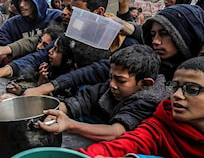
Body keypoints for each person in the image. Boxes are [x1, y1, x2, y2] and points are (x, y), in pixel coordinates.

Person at [79, 56, 204, 158]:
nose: (176, 95)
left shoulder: (145, 102)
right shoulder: (162, 123)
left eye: (192, 89)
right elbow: (127, 144)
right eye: (175, 87)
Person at [24, 4, 204, 96]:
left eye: (165, 34)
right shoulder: (144, 58)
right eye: (154, 34)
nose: (156, 41)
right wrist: (49, 86)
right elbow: (96, 72)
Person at [38, 44, 169, 141]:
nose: (112, 84)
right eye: (111, 77)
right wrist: (56, 111)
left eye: (121, 80)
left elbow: (115, 132)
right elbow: (86, 98)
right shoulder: (112, 86)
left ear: (145, 84)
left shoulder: (149, 101)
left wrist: (69, 125)